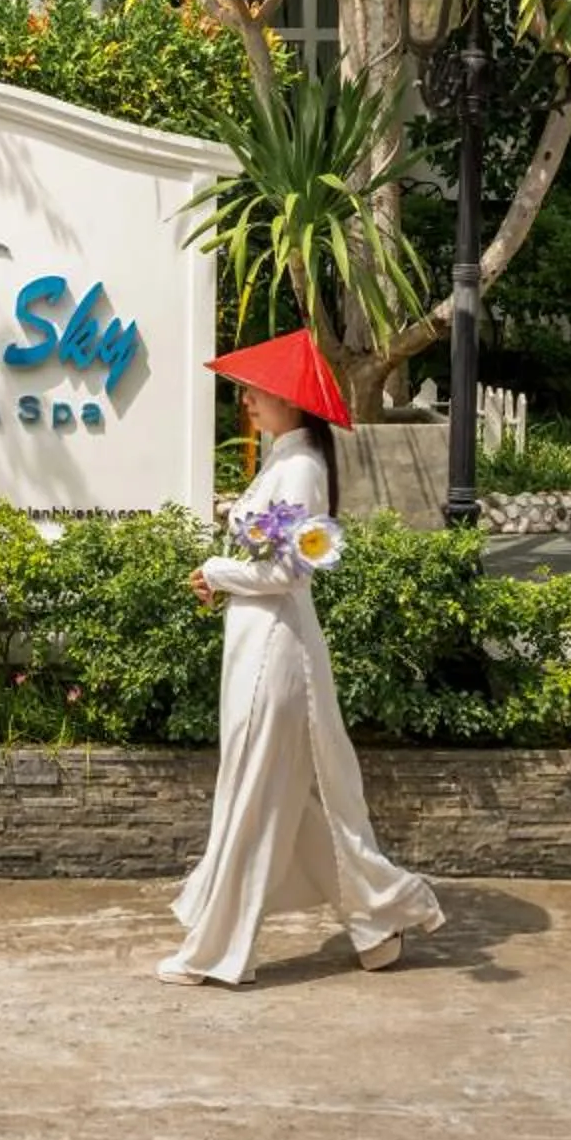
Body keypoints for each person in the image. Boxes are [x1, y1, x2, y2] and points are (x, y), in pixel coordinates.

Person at [161, 331, 447, 987]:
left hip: (276, 651)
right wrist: (225, 579)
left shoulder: (301, 470)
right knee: (284, 798)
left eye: (259, 392)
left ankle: (216, 951)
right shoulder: (281, 463)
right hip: (257, 641)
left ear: (292, 401)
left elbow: (290, 573)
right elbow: (266, 566)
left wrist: (217, 568)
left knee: (254, 797)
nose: (249, 401)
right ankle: (379, 923)